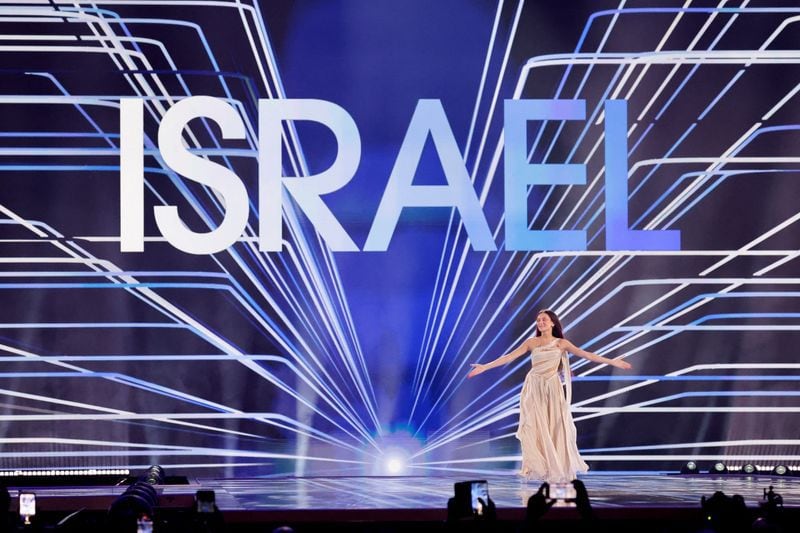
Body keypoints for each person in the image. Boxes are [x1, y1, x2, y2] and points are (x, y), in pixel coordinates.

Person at [467, 309, 632, 482]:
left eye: (544, 319)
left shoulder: (561, 343)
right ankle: (539, 466)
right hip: (534, 387)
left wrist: (612, 361)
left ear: (553, 322)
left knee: (555, 425)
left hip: (552, 388)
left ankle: (555, 466)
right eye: (538, 320)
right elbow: (509, 357)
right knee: (534, 426)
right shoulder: (532, 342)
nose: (540, 322)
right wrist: (485, 367)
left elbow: (587, 355)